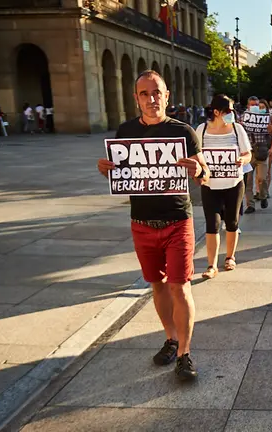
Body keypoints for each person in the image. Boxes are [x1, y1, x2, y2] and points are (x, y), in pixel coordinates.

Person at [96, 70, 207, 380]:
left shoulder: (183, 131)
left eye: (156, 92)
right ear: (136, 98)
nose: (151, 98)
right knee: (157, 284)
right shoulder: (126, 131)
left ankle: (185, 353)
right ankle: (170, 338)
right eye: (144, 93)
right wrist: (106, 169)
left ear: (167, 95)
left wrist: (198, 169)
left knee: (179, 285)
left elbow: (205, 174)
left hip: (177, 221)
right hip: (142, 223)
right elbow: (120, 171)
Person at [198, 94, 251, 278]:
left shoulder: (237, 130)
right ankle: (211, 266)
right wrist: (199, 169)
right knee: (212, 224)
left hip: (234, 183)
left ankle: (230, 257)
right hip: (210, 185)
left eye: (233, 110)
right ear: (216, 112)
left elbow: (247, 154)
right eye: (228, 111)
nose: (232, 114)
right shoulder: (202, 130)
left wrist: (242, 159)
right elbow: (195, 155)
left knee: (232, 221)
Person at [242, 96, 271, 213]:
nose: (255, 107)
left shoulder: (265, 119)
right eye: (253, 105)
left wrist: (270, 132)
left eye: (257, 105)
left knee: (262, 178)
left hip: (261, 152)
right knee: (248, 181)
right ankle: (250, 205)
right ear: (248, 106)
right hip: (248, 153)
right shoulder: (243, 119)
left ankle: (263, 196)